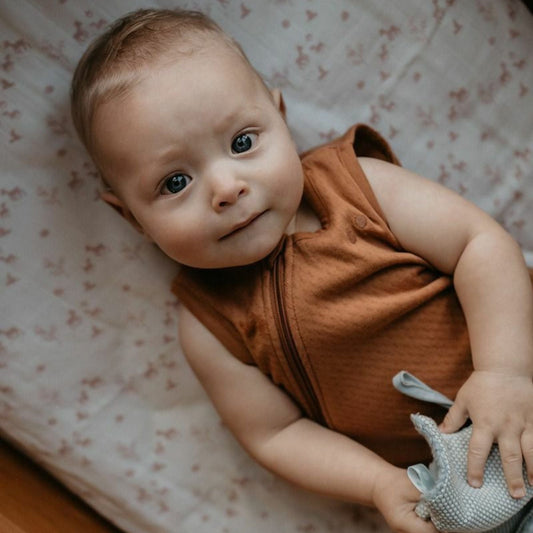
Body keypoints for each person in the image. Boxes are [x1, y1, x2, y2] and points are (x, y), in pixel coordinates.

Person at [70, 8, 533, 533]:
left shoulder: (356, 189)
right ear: (132, 217)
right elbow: (276, 435)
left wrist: (504, 372)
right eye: (175, 182)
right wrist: (378, 482)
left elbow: (482, 245)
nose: (226, 188)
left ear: (280, 116)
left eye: (242, 143)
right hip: (466, 489)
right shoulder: (210, 326)